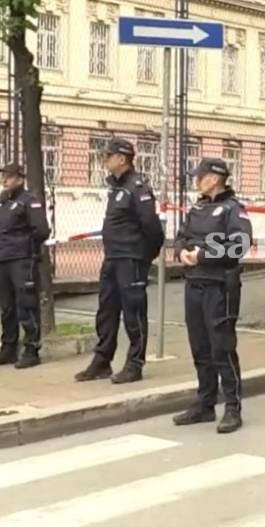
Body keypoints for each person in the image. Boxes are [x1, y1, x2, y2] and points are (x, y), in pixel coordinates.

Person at [171, 158, 251, 434]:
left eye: (201, 176)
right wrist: (181, 252)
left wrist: (203, 255)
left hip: (220, 286)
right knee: (200, 347)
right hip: (194, 283)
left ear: (215, 178)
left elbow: (240, 245)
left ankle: (232, 406)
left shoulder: (233, 209)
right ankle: (205, 404)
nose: (196, 180)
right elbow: (181, 235)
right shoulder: (199, 206)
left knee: (222, 347)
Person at [75, 138, 164, 384]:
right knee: (106, 311)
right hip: (113, 257)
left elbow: (152, 228)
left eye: (108, 156)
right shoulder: (116, 187)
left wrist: (146, 255)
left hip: (131, 259)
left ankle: (135, 364)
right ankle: (102, 361)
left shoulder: (137, 188)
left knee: (134, 313)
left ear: (122, 159)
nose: (104, 160)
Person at [0, 163, 50, 368]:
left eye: (9, 177)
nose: (5, 180)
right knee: (7, 307)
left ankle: (31, 349)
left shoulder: (29, 201)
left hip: (22, 260)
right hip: (3, 260)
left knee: (26, 304)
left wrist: (25, 247)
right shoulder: (4, 203)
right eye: (3, 176)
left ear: (20, 179)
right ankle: (9, 348)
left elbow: (41, 231)